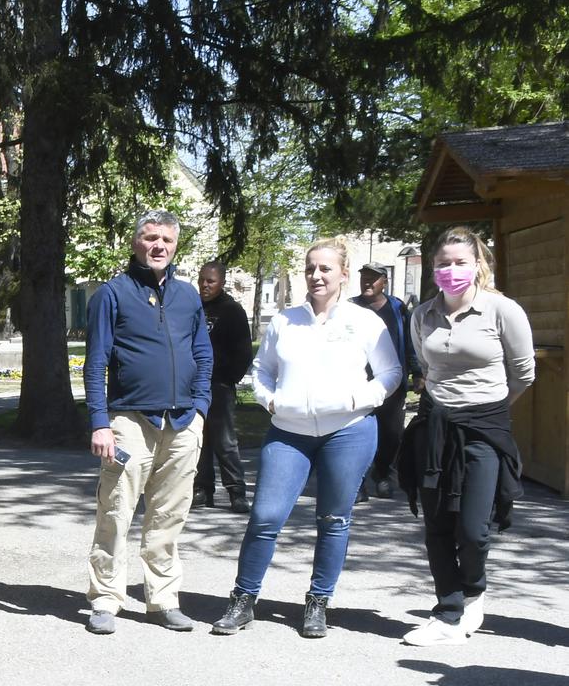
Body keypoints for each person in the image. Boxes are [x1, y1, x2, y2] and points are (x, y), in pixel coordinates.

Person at [211, 237, 400, 639]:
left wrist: (358, 398)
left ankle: (318, 602)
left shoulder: (365, 322)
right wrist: (270, 401)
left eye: (325, 268)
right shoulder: (285, 321)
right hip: (289, 432)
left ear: (343, 275)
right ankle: (243, 599)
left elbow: (391, 374)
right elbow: (261, 371)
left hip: (348, 431)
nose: (316, 275)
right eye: (310, 268)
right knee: (264, 517)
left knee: (333, 519)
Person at [400, 227, 534, 646]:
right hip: (435, 427)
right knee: (437, 524)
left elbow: (524, 373)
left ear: (478, 264)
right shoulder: (422, 315)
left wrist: (488, 412)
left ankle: (474, 590)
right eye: (443, 263)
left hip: (484, 428)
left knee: (474, 528)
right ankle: (448, 609)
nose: (451, 270)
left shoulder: (502, 310)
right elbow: (426, 365)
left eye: (460, 262)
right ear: (433, 268)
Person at [83, 209, 213, 634]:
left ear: (176, 246)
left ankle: (162, 599)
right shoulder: (112, 294)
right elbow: (96, 360)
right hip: (130, 421)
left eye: (167, 240)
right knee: (116, 511)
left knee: (169, 515)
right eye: (151, 238)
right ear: (136, 242)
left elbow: (203, 355)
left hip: (182, 422)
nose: (159, 246)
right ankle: (106, 598)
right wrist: (100, 422)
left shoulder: (188, 295)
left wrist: (201, 408)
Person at [352, 262, 419, 500]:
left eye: (373, 278)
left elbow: (410, 342)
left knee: (391, 433)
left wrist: (417, 373)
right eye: (364, 278)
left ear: (384, 282)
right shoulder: (350, 308)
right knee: (357, 432)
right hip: (357, 382)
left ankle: (382, 475)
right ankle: (357, 482)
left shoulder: (398, 308)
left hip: (392, 382)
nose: (367, 282)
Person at [193, 261, 253, 512]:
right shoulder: (193, 307)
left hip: (219, 384)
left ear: (222, 282)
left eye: (211, 281)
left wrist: (228, 378)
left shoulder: (232, 310)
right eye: (202, 280)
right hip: (194, 385)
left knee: (225, 441)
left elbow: (243, 352)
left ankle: (236, 491)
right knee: (199, 440)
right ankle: (202, 488)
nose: (205, 285)